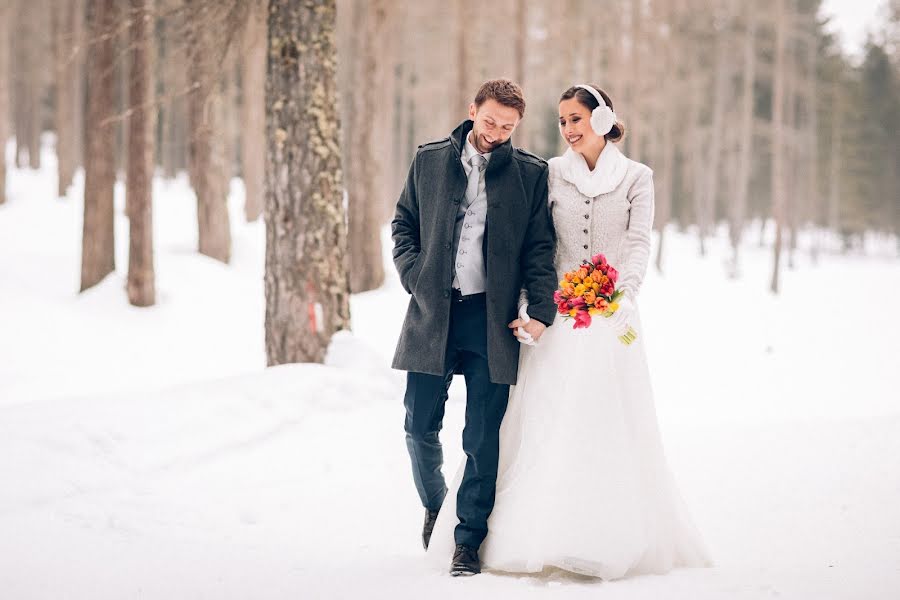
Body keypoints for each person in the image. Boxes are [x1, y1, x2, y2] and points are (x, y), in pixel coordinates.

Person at [425, 84, 713, 579]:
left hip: (612, 318)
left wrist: (624, 294)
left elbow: (638, 242)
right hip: (555, 314)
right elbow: (538, 247)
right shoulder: (551, 172)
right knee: (542, 420)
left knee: (604, 420)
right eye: (562, 121)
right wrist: (529, 306)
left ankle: (601, 535)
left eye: (577, 118)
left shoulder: (638, 178)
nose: (569, 129)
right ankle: (527, 535)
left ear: (602, 119)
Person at [391, 79, 558, 576]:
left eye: (507, 127)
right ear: (472, 111)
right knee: (419, 425)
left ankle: (467, 542)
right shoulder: (428, 159)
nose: (496, 133)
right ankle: (435, 504)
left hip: (492, 321)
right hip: (433, 313)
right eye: (489, 122)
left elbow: (539, 249)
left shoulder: (531, 174)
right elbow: (403, 222)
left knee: (483, 439)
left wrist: (542, 311)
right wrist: (414, 275)